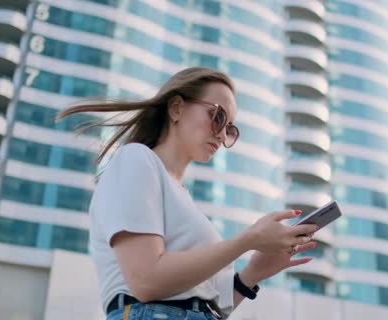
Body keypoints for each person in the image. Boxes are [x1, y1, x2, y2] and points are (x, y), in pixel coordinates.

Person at [56, 67, 319, 320]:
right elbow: (146, 281)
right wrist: (246, 241)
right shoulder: (136, 159)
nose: (221, 135)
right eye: (217, 117)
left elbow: (206, 308)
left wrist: (253, 273)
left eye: (230, 129)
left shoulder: (182, 198)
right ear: (176, 108)